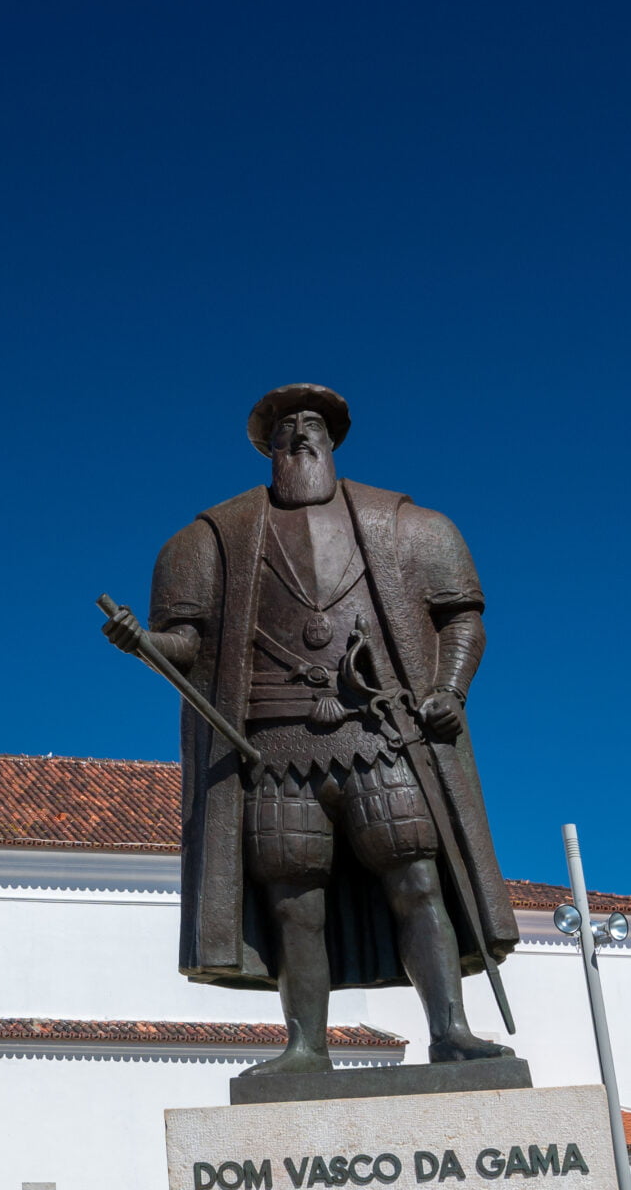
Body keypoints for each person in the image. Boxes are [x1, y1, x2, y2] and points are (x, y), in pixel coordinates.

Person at [103, 384, 520, 1075]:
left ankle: (450, 1029)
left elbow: (461, 618)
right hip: (272, 746)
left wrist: (448, 690)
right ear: (267, 446)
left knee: (417, 879)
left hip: (380, 737)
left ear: (333, 438)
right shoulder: (213, 537)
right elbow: (189, 647)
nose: (300, 438)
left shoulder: (406, 524)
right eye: (285, 430)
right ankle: (306, 1045)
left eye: (313, 427)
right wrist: (143, 641)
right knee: (294, 899)